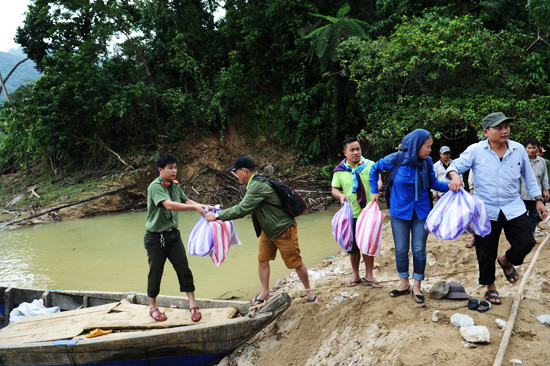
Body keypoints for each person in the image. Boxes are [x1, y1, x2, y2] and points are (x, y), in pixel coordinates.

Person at [447, 112, 548, 305]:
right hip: (486, 209)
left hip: (513, 206)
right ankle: (490, 286)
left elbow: (529, 177)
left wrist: (539, 200)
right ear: (486, 131)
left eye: (507, 127)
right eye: (499, 128)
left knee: (526, 242)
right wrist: (455, 176)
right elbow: (455, 166)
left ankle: (506, 260)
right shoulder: (476, 150)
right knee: (486, 251)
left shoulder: (518, 149)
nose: (505, 131)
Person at [204, 156, 319, 304]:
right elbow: (245, 205)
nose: (236, 175)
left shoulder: (257, 185)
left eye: (236, 172)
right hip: (268, 230)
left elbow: (242, 209)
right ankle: (265, 293)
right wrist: (217, 211)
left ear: (244, 171)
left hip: (283, 229)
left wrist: (217, 216)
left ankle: (309, 292)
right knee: (263, 260)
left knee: (295, 262)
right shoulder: (254, 183)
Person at [369, 129, 450, 303]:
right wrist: (374, 191)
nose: (430, 151)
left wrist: (450, 187)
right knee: (401, 249)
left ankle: (417, 287)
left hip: (421, 211)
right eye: (427, 147)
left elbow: (433, 183)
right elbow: (374, 169)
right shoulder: (396, 158)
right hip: (399, 212)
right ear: (416, 145)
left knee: (419, 249)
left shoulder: (427, 162)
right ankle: (404, 283)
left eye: (430, 147)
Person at [144, 153, 209, 322]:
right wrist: (196, 209)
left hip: (173, 236)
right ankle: (153, 307)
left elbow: (185, 200)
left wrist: (202, 206)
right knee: (155, 273)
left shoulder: (174, 185)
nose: (174, 171)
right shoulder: (155, 186)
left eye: (175, 167)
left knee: (184, 269)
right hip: (155, 238)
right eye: (170, 168)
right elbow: (169, 205)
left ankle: (193, 306)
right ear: (160, 169)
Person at [331, 137, 383, 288]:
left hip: (368, 213)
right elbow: (334, 189)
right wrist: (340, 196)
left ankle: (370, 275)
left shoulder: (370, 165)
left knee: (368, 244)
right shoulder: (340, 170)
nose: (356, 152)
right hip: (351, 214)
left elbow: (379, 181)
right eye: (352, 150)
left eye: (358, 149)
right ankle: (355, 275)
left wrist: (376, 189)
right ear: (345, 152)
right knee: (352, 247)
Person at [519, 138, 550, 233]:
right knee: (521, 217)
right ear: (525, 148)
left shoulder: (542, 161)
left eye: (534, 147)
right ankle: (522, 236)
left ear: (538, 148)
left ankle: (530, 235)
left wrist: (546, 189)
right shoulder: (520, 160)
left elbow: (544, 177)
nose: (531, 150)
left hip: (536, 196)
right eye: (529, 148)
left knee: (534, 216)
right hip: (521, 195)